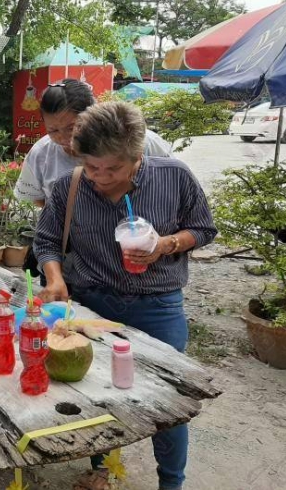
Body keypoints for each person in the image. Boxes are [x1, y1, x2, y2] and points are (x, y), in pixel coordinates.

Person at [34, 101, 217, 490]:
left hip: (157, 307)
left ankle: (171, 482)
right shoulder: (71, 187)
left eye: (113, 168)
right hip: (93, 304)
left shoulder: (174, 177)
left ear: (136, 156)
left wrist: (165, 244)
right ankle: (102, 467)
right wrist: (55, 277)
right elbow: (47, 239)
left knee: (166, 400)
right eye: (92, 166)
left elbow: (203, 228)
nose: (100, 177)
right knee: (96, 391)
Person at [14, 79, 172, 208]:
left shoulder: (142, 142)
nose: (64, 138)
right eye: (53, 130)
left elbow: (172, 185)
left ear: (93, 113)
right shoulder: (42, 153)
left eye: (72, 127)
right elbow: (34, 199)